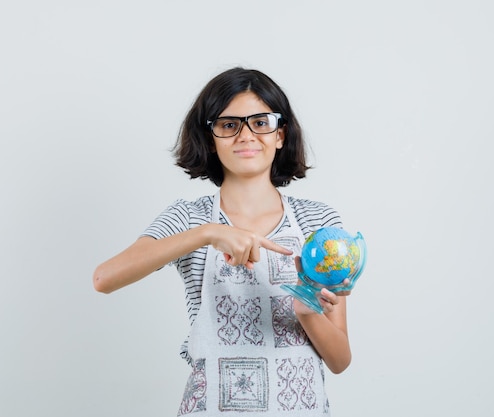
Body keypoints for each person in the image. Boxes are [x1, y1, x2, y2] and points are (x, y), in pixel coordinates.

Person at [93, 67, 352, 416]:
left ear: (280, 134)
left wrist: (307, 310)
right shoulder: (190, 219)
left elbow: (339, 360)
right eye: (229, 125)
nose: (246, 135)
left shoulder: (319, 225)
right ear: (210, 139)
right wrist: (210, 233)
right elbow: (104, 278)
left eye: (260, 122)